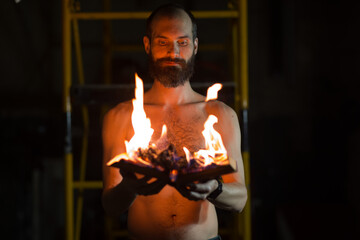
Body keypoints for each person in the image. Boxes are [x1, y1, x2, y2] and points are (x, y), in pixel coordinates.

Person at [102, 4, 247, 240]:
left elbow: (240, 199)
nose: (174, 53)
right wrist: (130, 187)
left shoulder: (220, 115)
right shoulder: (120, 116)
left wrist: (214, 189)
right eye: (163, 42)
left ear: (195, 46)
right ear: (147, 45)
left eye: (183, 42)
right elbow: (110, 205)